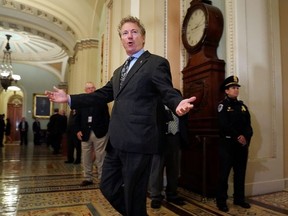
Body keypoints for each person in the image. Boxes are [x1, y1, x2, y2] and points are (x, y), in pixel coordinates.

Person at [45, 16, 196, 216]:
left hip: (139, 140)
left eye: (134, 31)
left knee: (134, 193)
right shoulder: (119, 72)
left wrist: (178, 103)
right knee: (107, 186)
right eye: (125, 33)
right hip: (116, 141)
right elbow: (101, 95)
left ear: (143, 37)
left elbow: (166, 90)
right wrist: (69, 98)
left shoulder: (155, 63)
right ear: (121, 39)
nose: (129, 36)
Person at [216, 75, 253, 212]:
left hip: (241, 146)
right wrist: (238, 136)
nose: (236, 90)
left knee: (240, 173)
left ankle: (239, 199)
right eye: (233, 88)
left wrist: (246, 138)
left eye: (237, 87)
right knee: (224, 173)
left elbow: (249, 126)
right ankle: (221, 201)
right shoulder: (222, 106)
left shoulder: (242, 107)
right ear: (226, 91)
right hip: (227, 144)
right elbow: (223, 124)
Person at [149, 89, 189, 209]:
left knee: (174, 169)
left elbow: (184, 120)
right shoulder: (156, 100)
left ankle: (172, 194)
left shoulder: (179, 101)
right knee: (157, 170)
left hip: (175, 139)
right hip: (160, 139)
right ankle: (156, 196)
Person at [75, 82, 110, 186]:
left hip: (100, 133)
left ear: (95, 89)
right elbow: (77, 119)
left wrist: (105, 131)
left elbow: (106, 118)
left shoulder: (101, 101)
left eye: (92, 88)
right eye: (88, 88)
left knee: (101, 157)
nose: (91, 90)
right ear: (85, 90)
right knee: (86, 157)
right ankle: (88, 178)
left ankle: (102, 178)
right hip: (85, 133)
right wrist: (77, 130)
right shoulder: (81, 102)